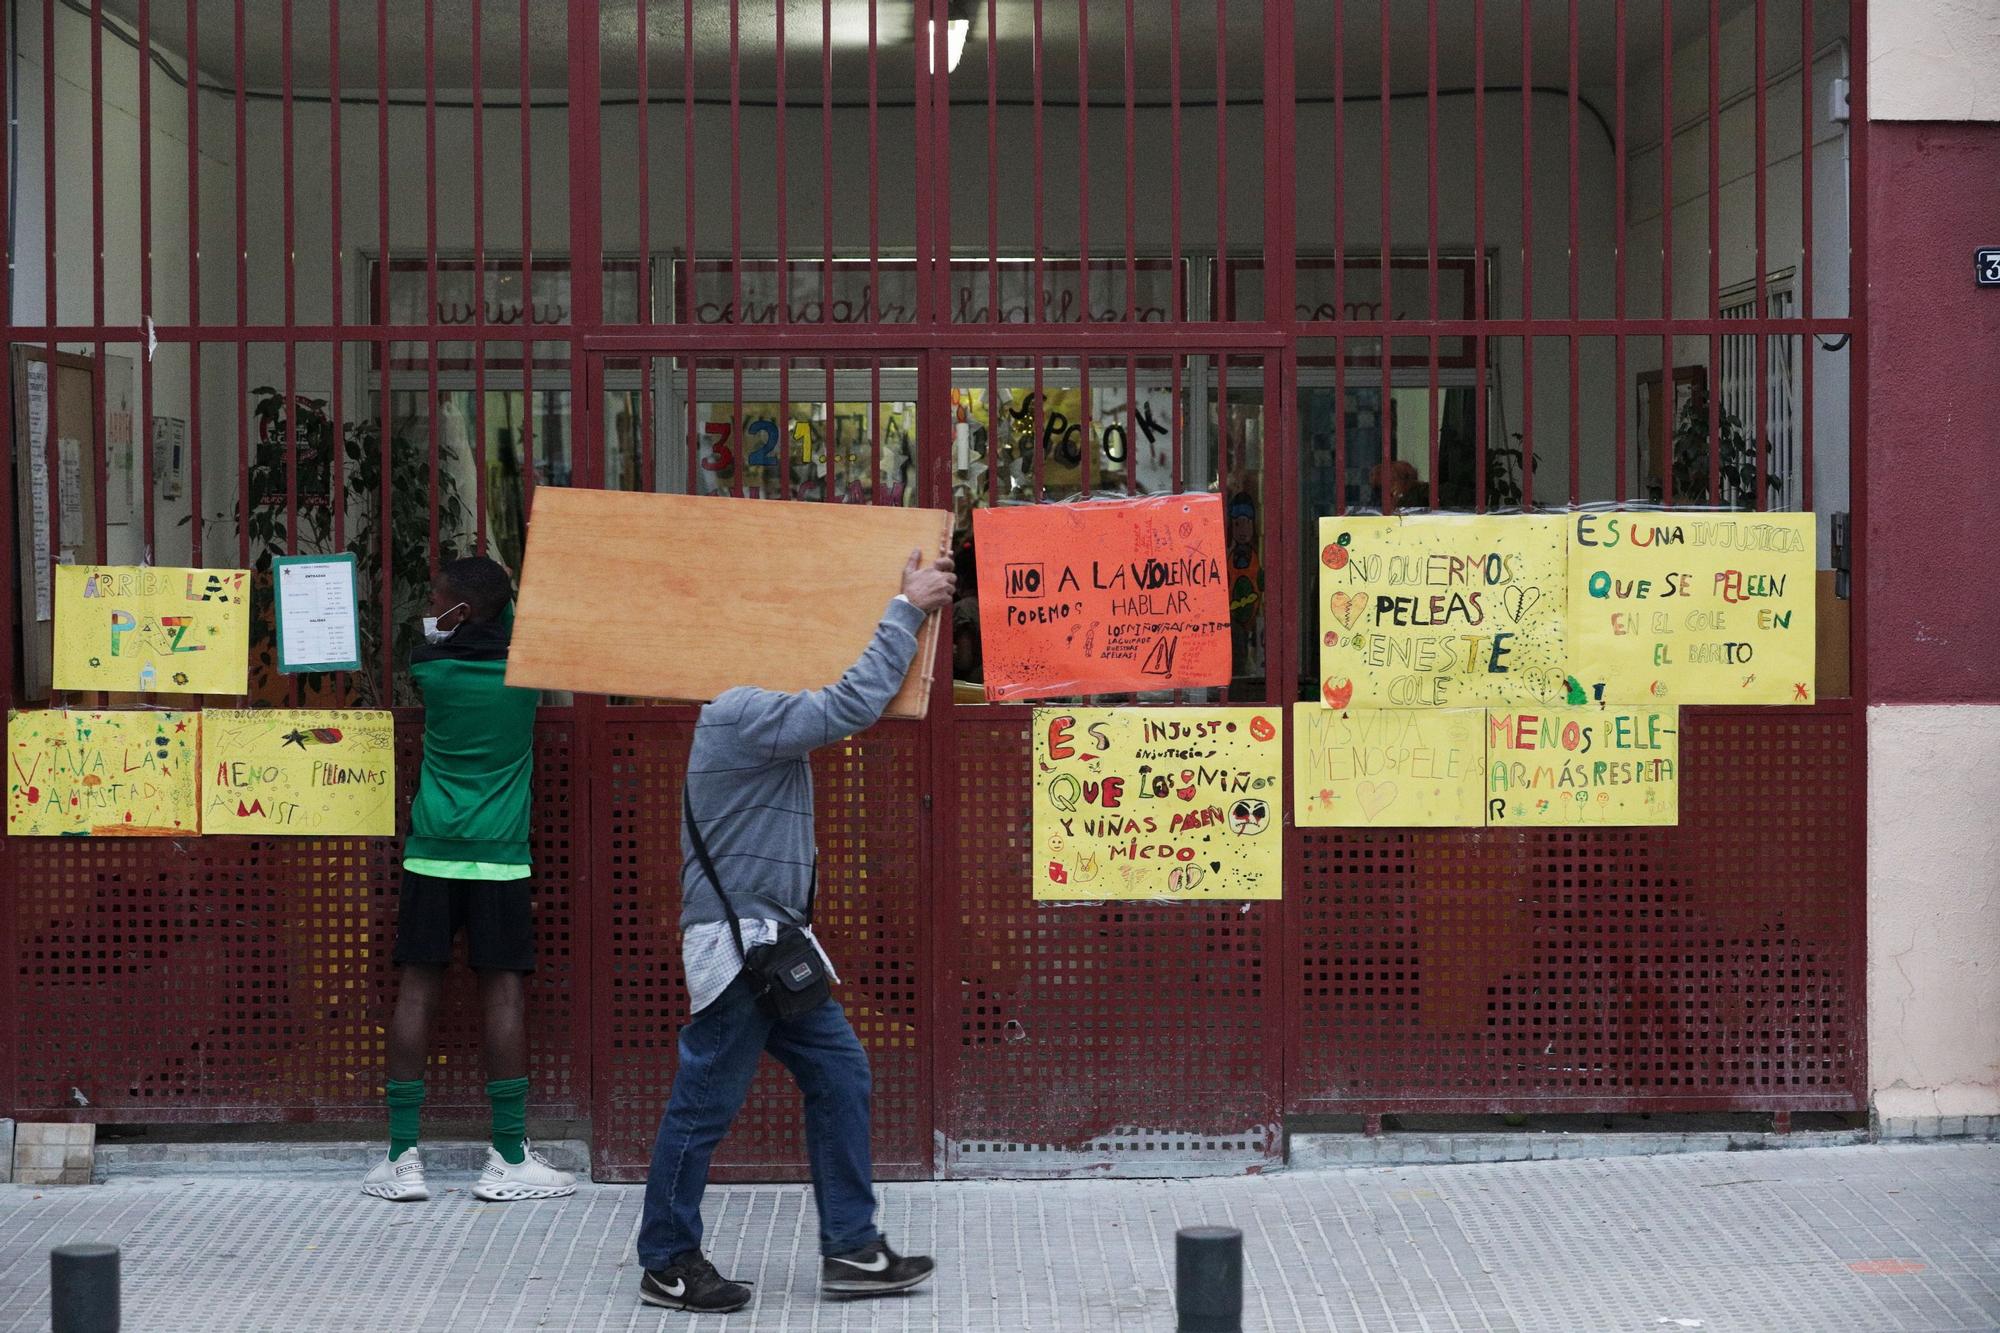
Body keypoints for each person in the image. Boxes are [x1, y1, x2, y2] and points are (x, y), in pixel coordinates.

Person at [635, 548, 956, 1314]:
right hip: (742, 947)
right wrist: (905, 608)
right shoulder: (741, 711)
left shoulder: (754, 713)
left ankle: (852, 1247)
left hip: (772, 946)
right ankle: (667, 1257)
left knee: (840, 1073)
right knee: (703, 1102)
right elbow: (847, 704)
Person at [361, 555, 576, 1205]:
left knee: (417, 990)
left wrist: (465, 611)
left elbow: (439, 633)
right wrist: (500, 596)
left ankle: (402, 1158)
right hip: (502, 855)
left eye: (439, 598)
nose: (431, 606)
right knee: (503, 994)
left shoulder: (431, 668)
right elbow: (509, 620)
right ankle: (508, 1155)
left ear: (458, 611)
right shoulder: (526, 673)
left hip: (431, 852)